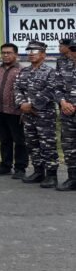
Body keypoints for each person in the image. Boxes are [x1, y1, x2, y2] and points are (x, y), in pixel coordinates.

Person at [15, 40, 60, 188]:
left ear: (43, 54)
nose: (31, 54)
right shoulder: (24, 71)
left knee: (47, 145)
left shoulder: (50, 72)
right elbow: (17, 89)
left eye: (34, 52)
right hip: (28, 115)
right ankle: (38, 171)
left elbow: (51, 90)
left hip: (44, 115)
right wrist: (22, 104)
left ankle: (52, 175)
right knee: (32, 144)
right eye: (29, 52)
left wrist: (32, 104)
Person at [0, 43, 27, 178]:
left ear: (15, 54)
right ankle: (5, 165)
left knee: (19, 140)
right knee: (4, 140)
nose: (5, 55)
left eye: (9, 52)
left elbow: (25, 92)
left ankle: (20, 168)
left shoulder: (22, 71)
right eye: (3, 52)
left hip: (15, 112)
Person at [55, 40, 76, 191]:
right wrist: (63, 103)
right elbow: (57, 88)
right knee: (69, 147)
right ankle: (73, 178)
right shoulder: (65, 66)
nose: (74, 52)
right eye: (73, 49)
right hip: (68, 114)